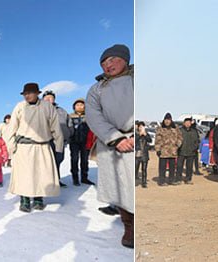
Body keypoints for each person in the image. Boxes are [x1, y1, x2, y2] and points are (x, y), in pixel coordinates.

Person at [85, 44, 134, 248]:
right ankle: (129, 226)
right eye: (104, 62)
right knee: (119, 188)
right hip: (111, 143)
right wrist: (115, 138)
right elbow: (93, 117)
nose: (108, 65)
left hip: (136, 139)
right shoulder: (97, 89)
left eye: (112, 60)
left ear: (125, 59)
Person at [3, 82, 63, 212]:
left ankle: (38, 198)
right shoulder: (19, 107)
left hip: (42, 146)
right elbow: (11, 128)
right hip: (24, 147)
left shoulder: (47, 107)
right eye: (25, 94)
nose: (27, 96)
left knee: (41, 174)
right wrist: (11, 146)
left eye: (30, 93)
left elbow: (56, 128)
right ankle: (24, 199)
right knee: (24, 174)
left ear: (37, 93)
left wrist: (59, 147)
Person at [42, 91, 72, 188]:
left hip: (60, 141)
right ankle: (47, 182)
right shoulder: (40, 110)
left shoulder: (61, 111)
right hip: (46, 141)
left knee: (58, 160)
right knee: (47, 162)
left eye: (51, 98)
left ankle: (57, 180)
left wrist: (68, 134)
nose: (48, 99)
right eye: (46, 98)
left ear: (54, 99)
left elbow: (69, 124)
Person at [67, 99, 95, 186]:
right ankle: (75, 178)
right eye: (77, 105)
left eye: (81, 104)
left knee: (85, 160)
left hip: (85, 142)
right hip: (74, 141)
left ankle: (84, 178)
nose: (79, 106)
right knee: (74, 159)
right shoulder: (70, 116)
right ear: (74, 107)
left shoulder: (89, 116)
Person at [155, 113, 181, 186]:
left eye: (169, 120)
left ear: (171, 120)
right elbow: (157, 140)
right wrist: (158, 150)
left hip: (173, 151)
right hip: (163, 152)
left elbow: (180, 137)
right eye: (166, 120)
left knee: (172, 168)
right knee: (162, 167)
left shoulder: (176, 128)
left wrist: (177, 145)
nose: (167, 121)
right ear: (164, 120)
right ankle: (162, 181)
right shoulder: (160, 129)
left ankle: (171, 180)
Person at [178, 117, 201, 184]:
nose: (188, 124)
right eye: (186, 122)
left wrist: (195, 148)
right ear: (184, 123)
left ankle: (188, 179)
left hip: (191, 152)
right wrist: (178, 148)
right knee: (179, 166)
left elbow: (197, 141)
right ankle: (178, 179)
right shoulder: (180, 130)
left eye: (189, 123)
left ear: (191, 123)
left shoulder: (194, 131)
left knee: (189, 167)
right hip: (181, 151)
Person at [133, 121, 151, 188]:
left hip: (145, 154)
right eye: (140, 126)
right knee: (135, 168)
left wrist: (145, 135)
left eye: (142, 127)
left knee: (144, 169)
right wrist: (139, 135)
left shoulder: (146, 134)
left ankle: (144, 182)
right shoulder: (135, 134)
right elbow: (134, 141)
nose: (141, 128)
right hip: (137, 153)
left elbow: (150, 140)